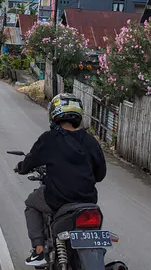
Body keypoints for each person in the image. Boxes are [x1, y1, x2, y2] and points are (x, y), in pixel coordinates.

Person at [15, 94, 106, 267]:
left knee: (31, 203)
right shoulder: (90, 141)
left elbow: (29, 162)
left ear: (54, 113)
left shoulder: (49, 138)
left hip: (58, 198)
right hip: (88, 201)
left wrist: (20, 168)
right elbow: (100, 174)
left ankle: (39, 251)